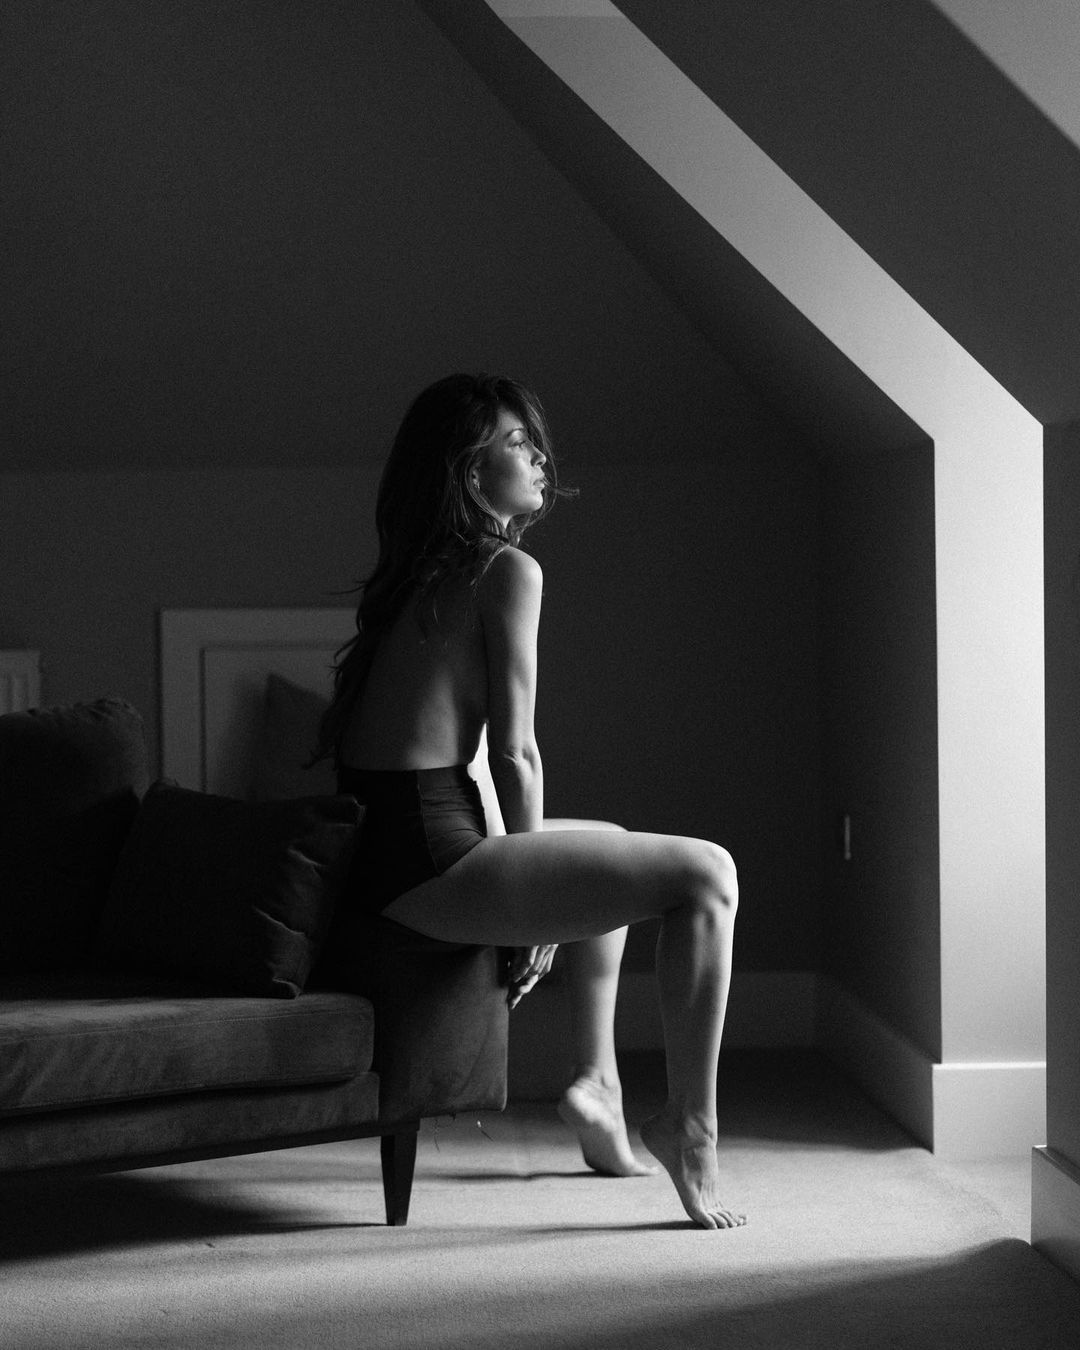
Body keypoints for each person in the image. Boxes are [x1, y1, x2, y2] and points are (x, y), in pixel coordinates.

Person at [317, 374, 744, 1230]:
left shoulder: (418, 577)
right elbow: (516, 751)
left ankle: (598, 1084)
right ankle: (692, 1127)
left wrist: (540, 874)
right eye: (518, 443)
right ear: (471, 472)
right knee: (707, 875)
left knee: (611, 847)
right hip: (431, 856)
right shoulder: (506, 570)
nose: (542, 458)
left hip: (392, 847)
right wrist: (536, 920)